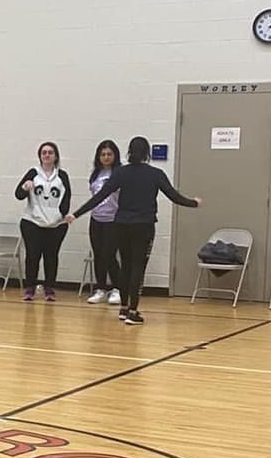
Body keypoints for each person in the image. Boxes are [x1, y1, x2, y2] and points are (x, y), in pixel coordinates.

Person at [66, 136, 201, 325]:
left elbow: (100, 196)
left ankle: (124, 308)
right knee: (138, 266)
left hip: (121, 224)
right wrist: (193, 203)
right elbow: (173, 196)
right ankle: (133, 311)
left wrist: (76, 213)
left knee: (126, 266)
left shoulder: (121, 173)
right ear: (147, 153)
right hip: (143, 226)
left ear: (129, 152)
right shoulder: (155, 174)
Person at [14, 143, 70, 301]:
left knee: (51, 257)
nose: (47, 155)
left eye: (50, 152)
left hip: (56, 225)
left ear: (55, 156)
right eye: (44, 152)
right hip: (32, 222)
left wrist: (61, 215)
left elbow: (67, 198)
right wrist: (25, 187)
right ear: (40, 156)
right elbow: (18, 194)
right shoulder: (33, 173)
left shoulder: (62, 175)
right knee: (32, 256)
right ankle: (30, 288)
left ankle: (49, 288)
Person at [85, 139, 123, 305]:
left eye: (109, 154)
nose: (106, 157)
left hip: (113, 220)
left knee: (109, 255)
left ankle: (117, 288)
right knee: (98, 254)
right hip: (96, 219)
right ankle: (101, 288)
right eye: (103, 154)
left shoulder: (119, 173)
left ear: (115, 156)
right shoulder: (96, 174)